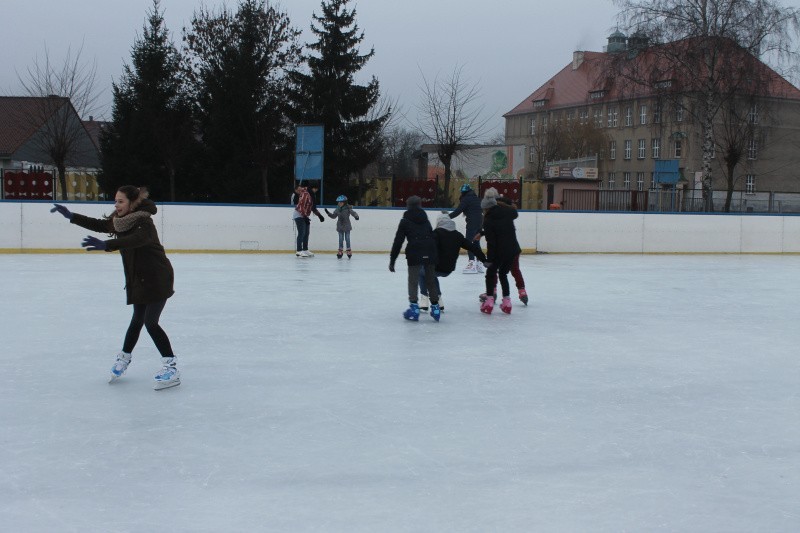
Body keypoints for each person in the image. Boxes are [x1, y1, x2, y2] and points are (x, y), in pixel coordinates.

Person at [50, 186, 180, 390]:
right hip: (138, 278)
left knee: (150, 322)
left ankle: (171, 366)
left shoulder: (144, 222)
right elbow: (100, 224)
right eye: (115, 201)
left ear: (132, 203)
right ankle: (124, 358)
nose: (116, 205)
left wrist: (108, 245)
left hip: (157, 277)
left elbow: (136, 240)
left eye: (120, 201)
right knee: (137, 319)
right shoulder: (120, 221)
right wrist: (71, 216)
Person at [418, 213, 487, 312]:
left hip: (437, 267)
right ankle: (439, 301)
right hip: (448, 269)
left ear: (439, 222)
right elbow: (473, 248)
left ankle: (424, 299)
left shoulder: (436, 233)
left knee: (420, 272)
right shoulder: (458, 235)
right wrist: (484, 260)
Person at [389, 196, 441, 322]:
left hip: (415, 251)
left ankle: (414, 308)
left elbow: (398, 241)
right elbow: (432, 235)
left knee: (413, 280)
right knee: (430, 280)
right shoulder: (425, 219)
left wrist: (392, 260)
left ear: (408, 206)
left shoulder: (405, 220)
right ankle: (435, 308)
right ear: (419, 205)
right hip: (430, 250)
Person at [479, 189, 529, 305]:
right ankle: (522, 291)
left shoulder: (491, 213)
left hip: (500, 249)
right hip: (513, 247)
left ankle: (493, 291)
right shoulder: (507, 209)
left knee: (494, 270)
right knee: (514, 269)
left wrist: (489, 258)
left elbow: (493, 232)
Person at [449, 183, 483, 274]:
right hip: (480, 223)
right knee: (476, 243)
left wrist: (447, 217)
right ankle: (479, 263)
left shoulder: (466, 199)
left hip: (472, 223)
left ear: (463, 192)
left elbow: (457, 211)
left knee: (469, 243)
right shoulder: (477, 198)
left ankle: (471, 263)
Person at [292, 183, 324, 257]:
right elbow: (301, 206)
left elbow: (313, 207)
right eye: (315, 189)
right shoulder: (305, 194)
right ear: (313, 188)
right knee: (301, 233)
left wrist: (319, 216)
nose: (316, 191)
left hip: (304, 215)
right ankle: (299, 251)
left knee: (306, 233)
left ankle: (305, 249)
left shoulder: (311, 195)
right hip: (299, 215)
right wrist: (305, 217)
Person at [325, 195, 359, 259]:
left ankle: (348, 250)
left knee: (347, 238)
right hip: (340, 226)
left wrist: (356, 216)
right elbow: (334, 216)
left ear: (345, 203)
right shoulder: (337, 209)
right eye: (338, 202)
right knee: (341, 239)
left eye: (341, 202)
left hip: (347, 226)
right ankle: (340, 250)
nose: (339, 203)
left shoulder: (348, 208)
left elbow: (353, 213)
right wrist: (328, 213)